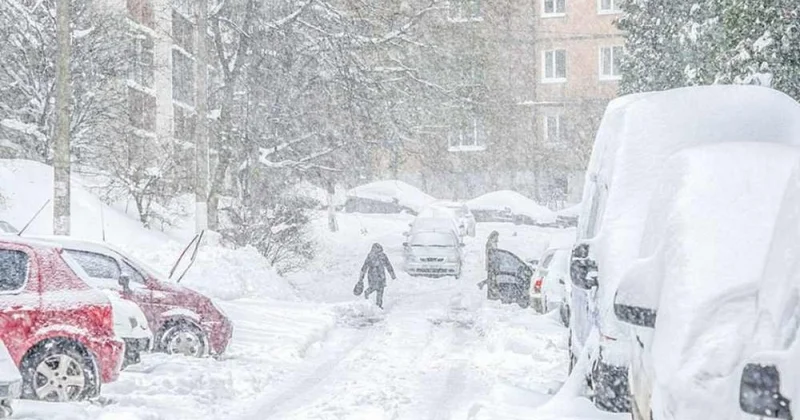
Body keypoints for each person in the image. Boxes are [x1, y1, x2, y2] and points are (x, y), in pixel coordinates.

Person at [358, 243, 396, 309]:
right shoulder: (371, 256)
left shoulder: (382, 256)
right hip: (374, 275)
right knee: (374, 287)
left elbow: (388, 265)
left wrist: (392, 275)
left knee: (380, 290)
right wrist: (361, 277)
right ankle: (367, 295)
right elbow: (365, 267)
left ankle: (379, 305)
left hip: (379, 275)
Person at [478, 231, 500, 299]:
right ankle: (491, 293)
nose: (497, 238)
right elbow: (490, 254)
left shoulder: (493, 243)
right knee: (492, 278)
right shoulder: (490, 243)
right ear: (493, 236)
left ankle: (483, 284)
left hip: (493, 263)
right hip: (491, 263)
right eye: (496, 236)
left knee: (492, 277)